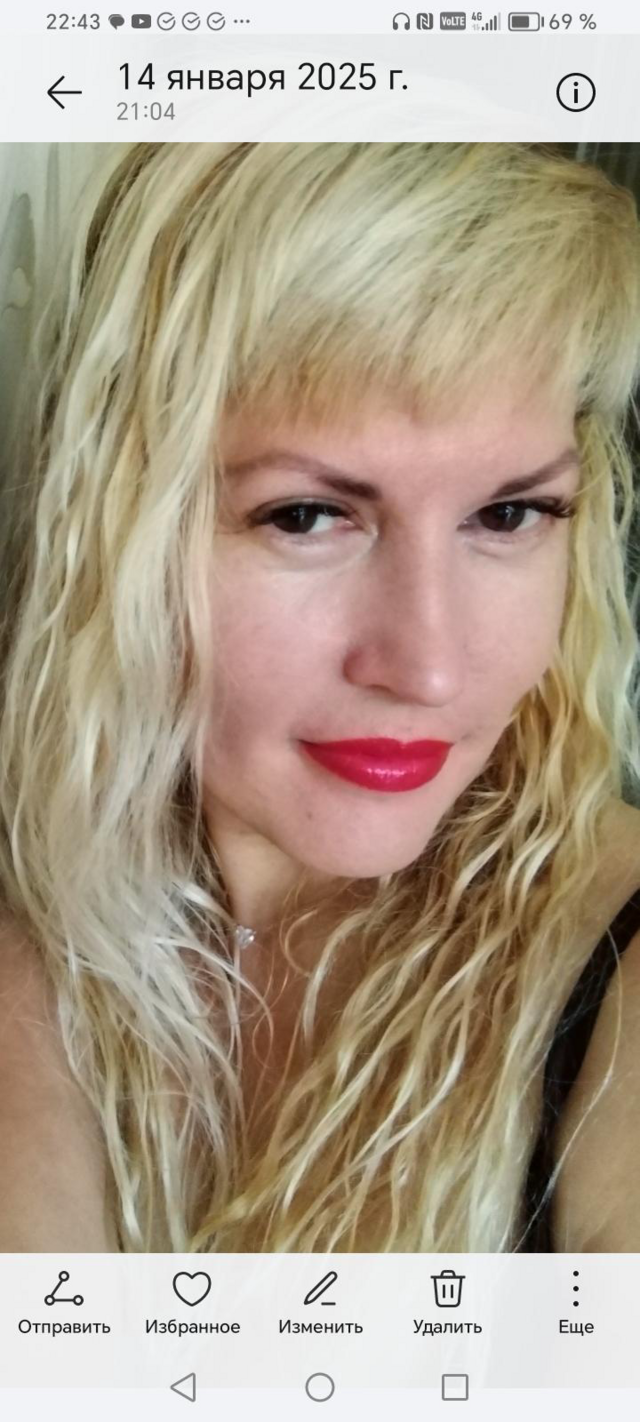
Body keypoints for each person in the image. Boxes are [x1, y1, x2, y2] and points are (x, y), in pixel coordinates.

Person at [0, 140, 639, 1254]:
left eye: (508, 515)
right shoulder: (40, 912)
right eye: (306, 516)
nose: (429, 669)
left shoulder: (612, 977)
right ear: (116, 526)